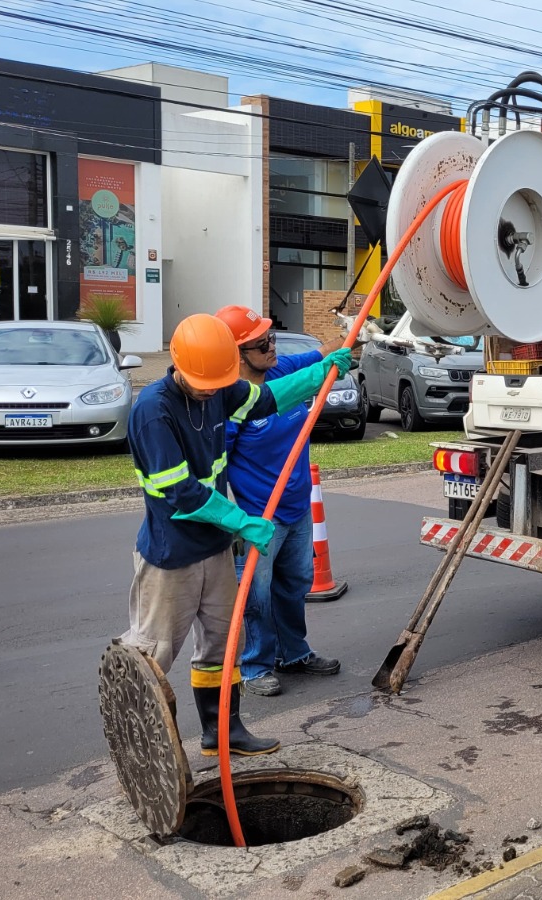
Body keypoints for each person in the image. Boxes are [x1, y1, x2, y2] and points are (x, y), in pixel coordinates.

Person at [122, 313, 351, 756]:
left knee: (222, 648)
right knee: (153, 653)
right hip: (172, 557)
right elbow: (183, 493)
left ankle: (223, 732)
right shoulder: (153, 412)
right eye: (203, 384)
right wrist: (244, 523)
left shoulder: (218, 387)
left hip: (215, 549)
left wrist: (321, 373)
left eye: (217, 383)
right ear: (180, 367)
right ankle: (139, 749)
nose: (211, 392)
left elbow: (267, 400)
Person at [215, 305, 344, 697]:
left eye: (271, 338)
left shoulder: (281, 372)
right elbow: (217, 470)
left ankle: (294, 652)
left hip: (296, 507)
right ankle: (255, 665)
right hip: (259, 517)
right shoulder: (230, 405)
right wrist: (232, 522)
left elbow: (325, 352)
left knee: (295, 583)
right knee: (255, 594)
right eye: (260, 344)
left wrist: (356, 333)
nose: (271, 347)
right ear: (236, 354)